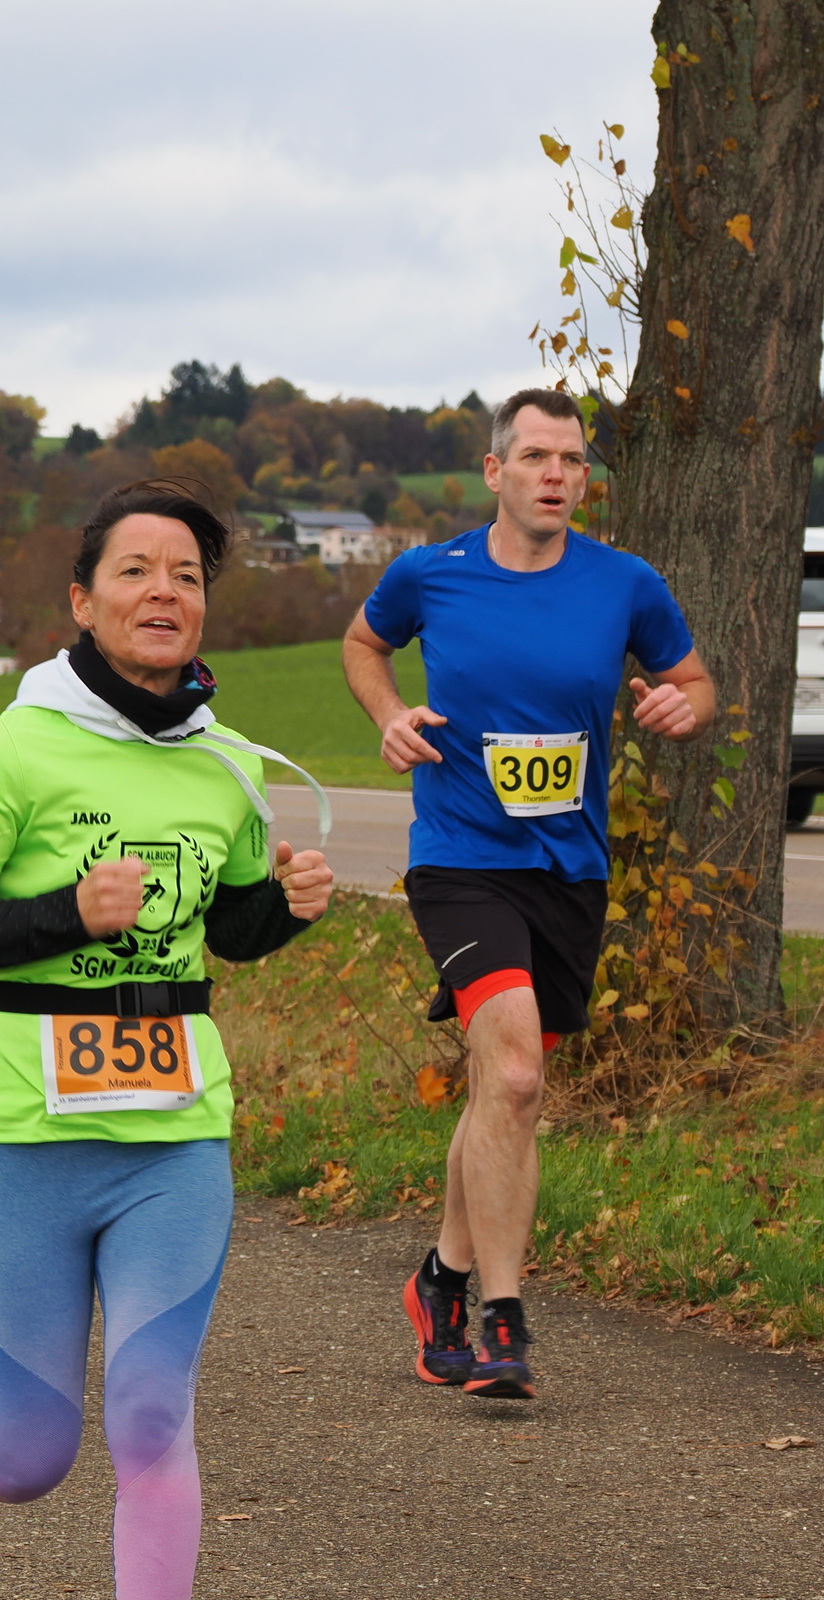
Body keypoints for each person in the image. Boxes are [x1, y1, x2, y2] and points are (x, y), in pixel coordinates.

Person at [0, 480, 335, 1600]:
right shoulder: (17, 746)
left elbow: (227, 931)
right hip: (24, 1137)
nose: (164, 591)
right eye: (135, 570)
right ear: (83, 600)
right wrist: (67, 915)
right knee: (34, 1453)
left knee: (152, 1415)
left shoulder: (230, 762)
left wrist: (285, 910)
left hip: (172, 1136)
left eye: (186, 575)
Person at [343, 387, 713, 1402]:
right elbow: (363, 643)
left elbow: (696, 681)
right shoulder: (432, 573)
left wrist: (683, 707)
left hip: (569, 872)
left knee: (503, 1091)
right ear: (496, 470)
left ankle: (440, 1277)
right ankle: (502, 1321)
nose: (557, 474)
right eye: (538, 456)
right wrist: (388, 714)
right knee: (511, 1077)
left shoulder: (625, 583)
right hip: (461, 858)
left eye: (574, 460)